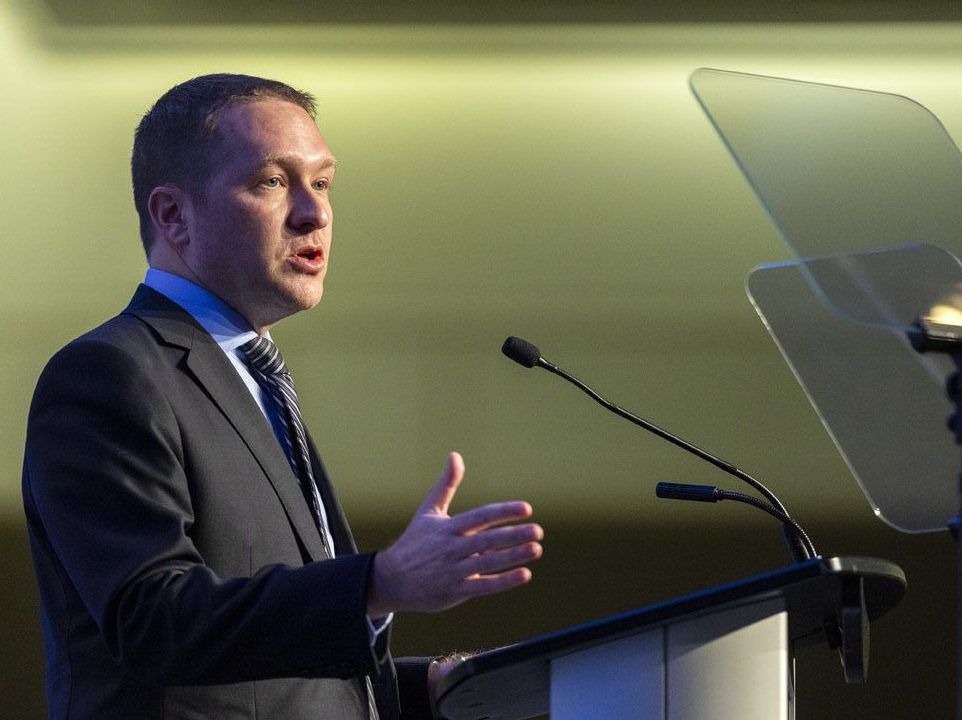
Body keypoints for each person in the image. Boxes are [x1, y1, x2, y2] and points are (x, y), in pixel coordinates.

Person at [22, 73, 544, 720]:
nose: (314, 213)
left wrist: (433, 687)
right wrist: (378, 583)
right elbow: (155, 622)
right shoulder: (111, 373)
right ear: (173, 215)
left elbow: (271, 679)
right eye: (272, 181)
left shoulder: (253, 376)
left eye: (322, 183)